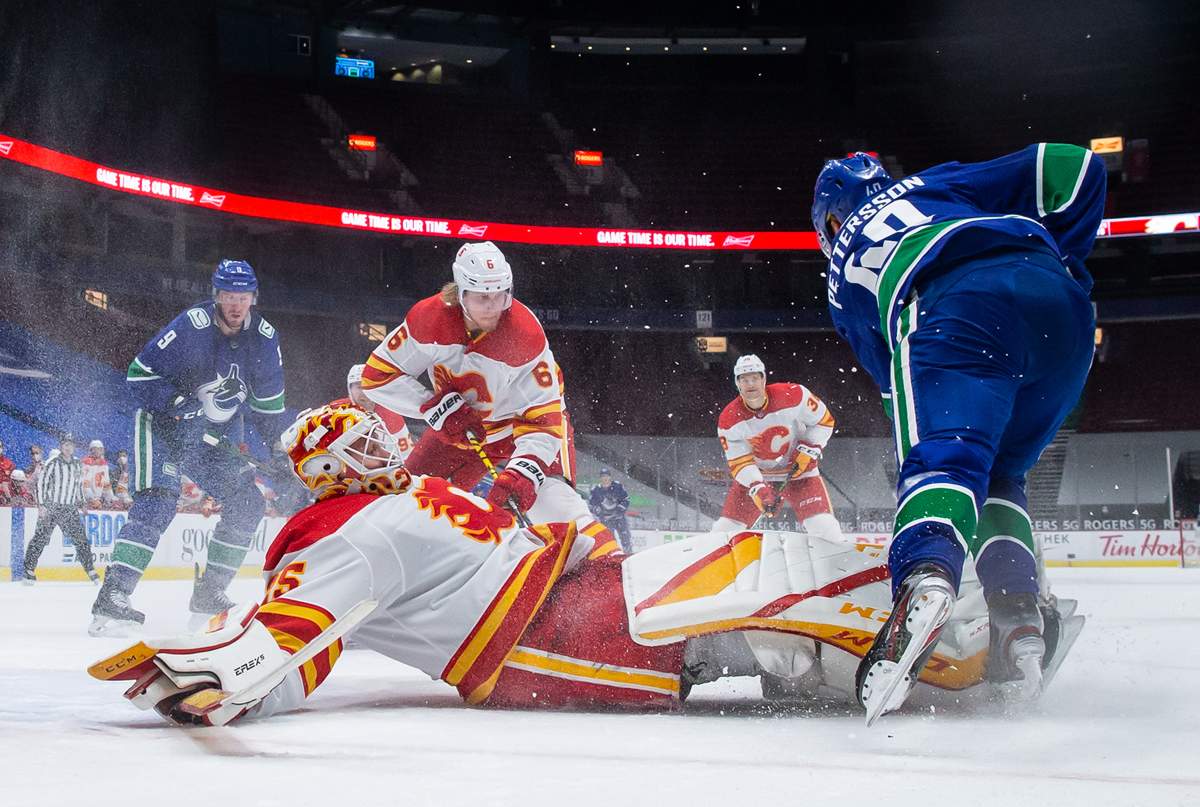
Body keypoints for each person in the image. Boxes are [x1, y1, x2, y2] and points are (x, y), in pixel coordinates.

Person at [88, 401, 1084, 727]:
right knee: (767, 585)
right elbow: (297, 634)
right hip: (546, 636)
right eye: (366, 439)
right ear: (338, 464)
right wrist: (216, 675)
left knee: (767, 564)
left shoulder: (399, 498)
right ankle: (963, 653)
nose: (387, 441)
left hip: (577, 593)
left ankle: (967, 627)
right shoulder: (341, 532)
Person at [811, 143, 1105, 722]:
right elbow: (1076, 167)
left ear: (832, 222)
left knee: (944, 461)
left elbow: (895, 387)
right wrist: (1066, 258)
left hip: (953, 305)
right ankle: (1018, 614)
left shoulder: (840, 276)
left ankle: (924, 579)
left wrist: (930, 461)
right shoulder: (934, 183)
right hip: (1061, 308)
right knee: (1003, 474)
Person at [360, 240, 615, 555]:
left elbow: (543, 417)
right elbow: (376, 377)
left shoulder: (524, 334)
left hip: (525, 427)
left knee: (555, 503)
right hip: (461, 428)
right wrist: (433, 407)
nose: (493, 306)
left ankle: (608, 564)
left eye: (501, 295)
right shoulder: (428, 319)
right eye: (482, 297)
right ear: (461, 292)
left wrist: (525, 470)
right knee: (408, 505)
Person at [89, 259, 289, 635]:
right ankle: (113, 597)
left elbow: (268, 409)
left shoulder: (264, 338)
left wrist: (280, 449)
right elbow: (139, 374)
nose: (235, 304)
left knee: (247, 503)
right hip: (163, 426)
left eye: (242, 297)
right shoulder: (192, 326)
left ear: (253, 298)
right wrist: (179, 405)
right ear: (216, 296)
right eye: (228, 296)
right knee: (159, 502)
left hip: (213, 437)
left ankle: (209, 594)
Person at [713, 354, 845, 543]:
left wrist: (808, 449)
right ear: (737, 384)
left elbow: (824, 422)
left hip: (801, 475)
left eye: (755, 378)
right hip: (760, 478)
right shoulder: (729, 419)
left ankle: (836, 556)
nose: (750, 384)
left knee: (824, 527)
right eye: (744, 379)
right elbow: (739, 463)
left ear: (764, 379)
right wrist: (757, 487)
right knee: (724, 531)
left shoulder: (794, 395)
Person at [24, 433, 98, 584]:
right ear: (61, 446)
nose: (68, 447)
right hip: (51, 508)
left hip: (69, 509)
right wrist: (42, 505)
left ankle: (90, 569)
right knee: (40, 538)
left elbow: (78, 485)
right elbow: (41, 484)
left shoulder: (77, 463)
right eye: (65, 445)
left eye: (70, 445)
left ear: (74, 447)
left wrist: (82, 503)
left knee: (81, 540)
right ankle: (28, 570)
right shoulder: (52, 463)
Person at [346, 363, 412, 460]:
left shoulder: (391, 415)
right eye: (359, 387)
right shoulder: (336, 411)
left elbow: (405, 458)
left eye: (368, 386)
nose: (365, 392)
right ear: (350, 390)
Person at [589, 468, 633, 553]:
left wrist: (620, 508)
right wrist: (597, 510)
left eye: (607, 476)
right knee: (609, 540)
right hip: (605, 520)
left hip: (619, 517)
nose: (605, 478)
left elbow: (626, 499)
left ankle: (628, 553)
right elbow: (591, 505)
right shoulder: (596, 490)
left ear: (610, 477)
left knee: (625, 537)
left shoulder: (618, 487)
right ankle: (613, 554)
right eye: (603, 476)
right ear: (600, 478)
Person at [81, 439, 114, 509]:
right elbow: (84, 485)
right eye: (96, 449)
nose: (98, 451)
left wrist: (111, 499)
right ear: (91, 450)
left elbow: (106, 485)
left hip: (97, 500)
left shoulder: (104, 465)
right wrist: (92, 499)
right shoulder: (86, 463)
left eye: (100, 449)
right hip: (85, 500)